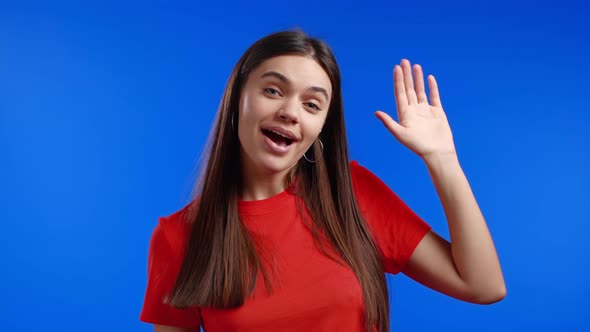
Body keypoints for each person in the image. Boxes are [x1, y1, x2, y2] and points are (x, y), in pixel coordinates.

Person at [139, 29, 506, 332]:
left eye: (312, 104)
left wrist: (442, 159)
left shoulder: (353, 195)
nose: (290, 112)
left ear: (321, 128)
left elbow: (483, 285)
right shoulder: (178, 238)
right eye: (273, 90)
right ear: (237, 99)